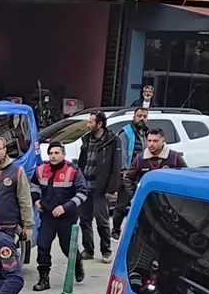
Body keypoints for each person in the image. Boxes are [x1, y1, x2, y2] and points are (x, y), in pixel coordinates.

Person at [31, 141, 87, 293]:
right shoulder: (41, 169)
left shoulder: (73, 171)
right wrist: (36, 200)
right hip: (47, 216)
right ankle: (44, 278)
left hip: (67, 217)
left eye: (56, 153)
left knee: (67, 247)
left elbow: (82, 193)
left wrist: (65, 207)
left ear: (63, 154)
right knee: (43, 245)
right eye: (51, 153)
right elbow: (33, 185)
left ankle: (77, 262)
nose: (53, 156)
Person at [75, 110, 121, 263]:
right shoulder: (87, 140)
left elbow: (116, 166)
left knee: (102, 221)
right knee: (84, 220)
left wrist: (111, 188)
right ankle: (88, 249)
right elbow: (82, 162)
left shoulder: (112, 141)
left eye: (91, 122)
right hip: (85, 185)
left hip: (100, 187)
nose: (88, 125)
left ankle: (106, 251)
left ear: (99, 124)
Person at [114, 107, 149, 238]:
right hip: (127, 173)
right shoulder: (126, 133)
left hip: (141, 175)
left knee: (138, 205)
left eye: (144, 116)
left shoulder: (146, 134)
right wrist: (124, 171)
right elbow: (121, 153)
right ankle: (116, 231)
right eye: (139, 116)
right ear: (133, 117)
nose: (142, 119)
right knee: (121, 205)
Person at [124, 128, 187, 195]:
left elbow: (186, 177)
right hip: (147, 201)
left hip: (169, 200)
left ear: (163, 141)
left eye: (155, 141)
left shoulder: (174, 157)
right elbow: (128, 178)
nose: (151, 144)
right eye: (149, 140)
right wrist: (135, 195)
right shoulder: (140, 158)